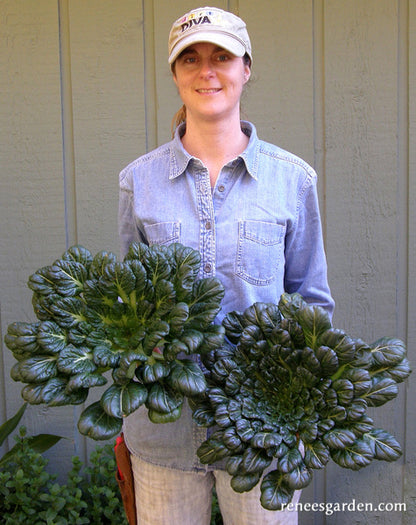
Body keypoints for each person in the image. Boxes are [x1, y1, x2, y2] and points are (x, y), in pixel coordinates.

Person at [118, 6, 334, 524]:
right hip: (165, 426)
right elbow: (126, 301)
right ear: (175, 74)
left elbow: (313, 303)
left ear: (246, 68)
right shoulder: (138, 182)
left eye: (221, 57)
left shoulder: (292, 181)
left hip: (263, 430)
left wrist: (297, 398)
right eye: (189, 59)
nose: (206, 71)